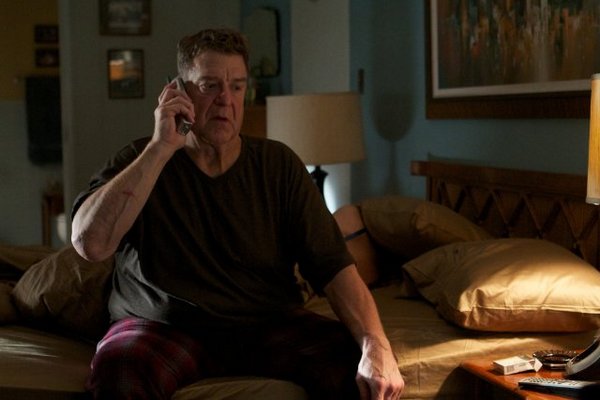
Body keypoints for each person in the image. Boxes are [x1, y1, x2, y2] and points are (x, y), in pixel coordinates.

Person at [71, 28, 404, 400]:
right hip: (161, 326)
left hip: (264, 324)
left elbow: (333, 267)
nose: (225, 100)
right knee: (120, 372)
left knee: (361, 369)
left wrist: (375, 344)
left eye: (237, 86)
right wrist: (160, 148)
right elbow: (90, 245)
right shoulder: (141, 159)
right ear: (178, 91)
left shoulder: (279, 166)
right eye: (209, 86)